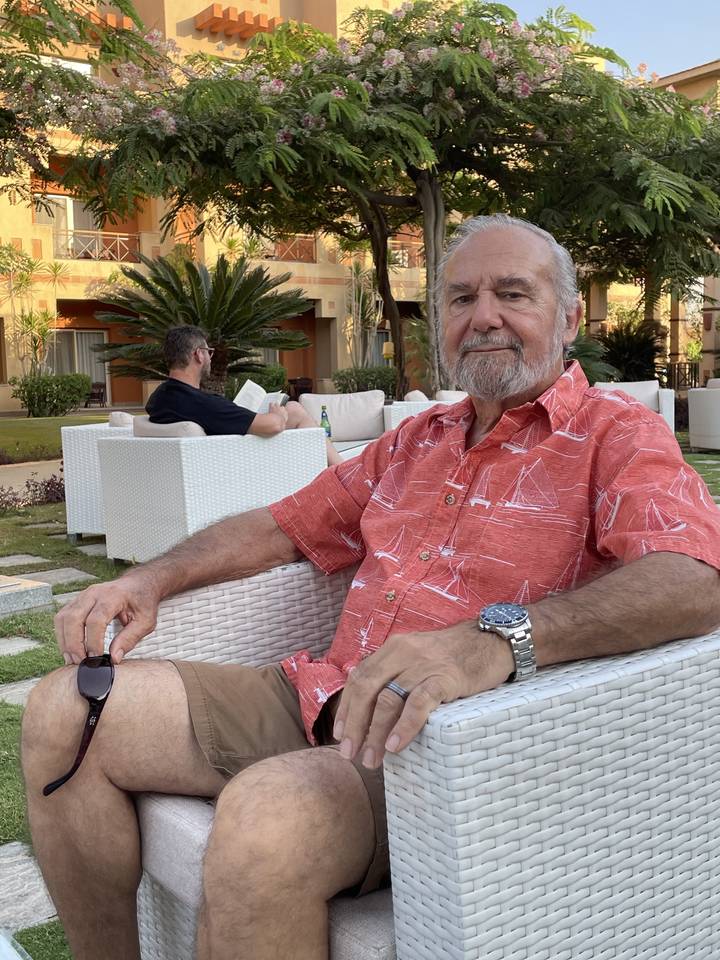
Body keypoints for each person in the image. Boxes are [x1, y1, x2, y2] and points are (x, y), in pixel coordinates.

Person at [22, 215, 720, 960]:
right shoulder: (418, 438)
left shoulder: (616, 435)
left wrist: (498, 639)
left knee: (267, 818)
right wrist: (152, 576)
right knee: (65, 707)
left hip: (436, 746)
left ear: (570, 317)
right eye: (459, 299)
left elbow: (693, 578)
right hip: (318, 693)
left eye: (513, 293)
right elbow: (284, 525)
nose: (483, 316)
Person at [147, 324, 342, 464]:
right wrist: (279, 415)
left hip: (207, 461)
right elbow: (273, 425)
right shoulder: (201, 403)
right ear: (198, 354)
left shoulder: (158, 398)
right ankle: (344, 472)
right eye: (209, 352)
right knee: (293, 409)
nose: (210, 358)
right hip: (236, 464)